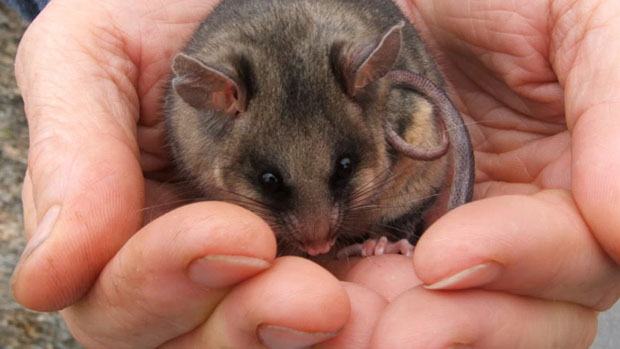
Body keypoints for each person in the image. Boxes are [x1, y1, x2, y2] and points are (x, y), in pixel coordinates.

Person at [8, 0, 620, 347]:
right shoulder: (209, 104)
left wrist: (399, 209)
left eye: (342, 169)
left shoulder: (373, 78)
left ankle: (395, 220)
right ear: (221, 99)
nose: (318, 233)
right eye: (271, 183)